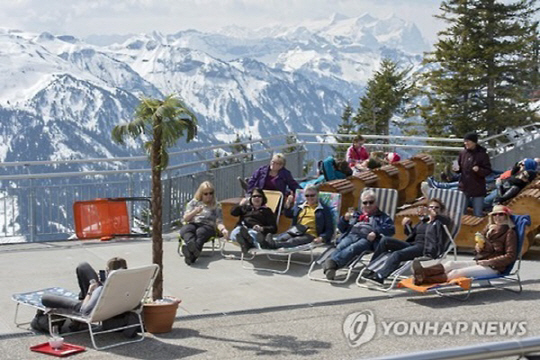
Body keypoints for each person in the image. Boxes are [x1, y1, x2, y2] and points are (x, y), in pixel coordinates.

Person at [412, 205, 517, 285]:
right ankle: (423, 272)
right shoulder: (488, 229)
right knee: (450, 263)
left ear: (506, 216)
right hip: (479, 261)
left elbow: (510, 256)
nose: (497, 217)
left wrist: (489, 261)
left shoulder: (509, 232)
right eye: (495, 214)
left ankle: (424, 279)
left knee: (456, 272)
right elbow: (481, 248)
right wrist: (478, 248)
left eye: (501, 214)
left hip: (494, 267)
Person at [361, 198, 451, 286]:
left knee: (397, 254)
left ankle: (381, 276)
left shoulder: (441, 222)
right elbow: (411, 234)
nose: (433, 209)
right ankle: (372, 270)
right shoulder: (424, 222)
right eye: (431, 207)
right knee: (385, 240)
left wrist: (434, 215)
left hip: (424, 248)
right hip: (412, 245)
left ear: (441, 210)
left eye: (436, 207)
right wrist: (407, 225)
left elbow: (446, 220)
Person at [323, 189, 395, 280]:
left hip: (367, 239)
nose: (368, 205)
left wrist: (376, 232)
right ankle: (331, 266)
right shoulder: (356, 214)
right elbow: (341, 229)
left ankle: (332, 264)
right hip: (352, 234)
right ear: (361, 204)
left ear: (375, 203)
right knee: (341, 246)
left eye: (371, 202)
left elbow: (391, 229)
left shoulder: (382, 216)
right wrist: (344, 220)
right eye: (365, 203)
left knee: (353, 248)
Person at [41, 257, 128, 316]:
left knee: (45, 298)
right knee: (83, 266)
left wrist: (90, 291)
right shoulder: (130, 284)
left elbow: (84, 311)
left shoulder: (102, 289)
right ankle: (87, 291)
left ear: (109, 271)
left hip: (86, 304)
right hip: (105, 300)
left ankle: (83, 297)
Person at [258, 184, 334, 250]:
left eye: (312, 195)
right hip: (296, 231)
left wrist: (322, 238)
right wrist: (287, 205)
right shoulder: (300, 206)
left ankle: (271, 245)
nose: (309, 198)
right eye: (307, 195)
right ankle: (267, 244)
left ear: (317, 195)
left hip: (310, 234)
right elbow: (288, 214)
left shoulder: (324, 210)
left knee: (294, 241)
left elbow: (330, 228)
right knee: (282, 238)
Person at [180, 181, 228, 265]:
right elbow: (186, 218)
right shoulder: (194, 203)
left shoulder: (216, 205)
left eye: (211, 193)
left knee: (200, 232)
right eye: (206, 194)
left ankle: (190, 252)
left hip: (208, 226)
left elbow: (219, 221)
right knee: (186, 229)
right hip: (193, 223)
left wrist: (223, 229)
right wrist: (195, 211)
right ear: (201, 194)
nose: (209, 196)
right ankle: (192, 250)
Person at [455, 132, 492, 217]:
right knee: (460, 213)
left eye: (468, 141)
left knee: (478, 214)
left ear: (474, 142)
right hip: (464, 187)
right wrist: (456, 169)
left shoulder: (483, 155)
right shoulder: (462, 153)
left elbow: (488, 170)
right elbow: (460, 167)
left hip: (478, 188)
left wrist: (479, 170)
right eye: (465, 141)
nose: (466, 143)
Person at [230, 188, 277, 254]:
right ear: (250, 198)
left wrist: (261, 228)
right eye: (254, 196)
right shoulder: (246, 208)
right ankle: (247, 241)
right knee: (236, 233)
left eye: (259, 196)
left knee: (253, 234)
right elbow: (233, 213)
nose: (257, 198)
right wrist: (240, 204)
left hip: (254, 230)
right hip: (242, 228)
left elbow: (274, 228)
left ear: (263, 198)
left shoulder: (267, 211)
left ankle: (247, 242)